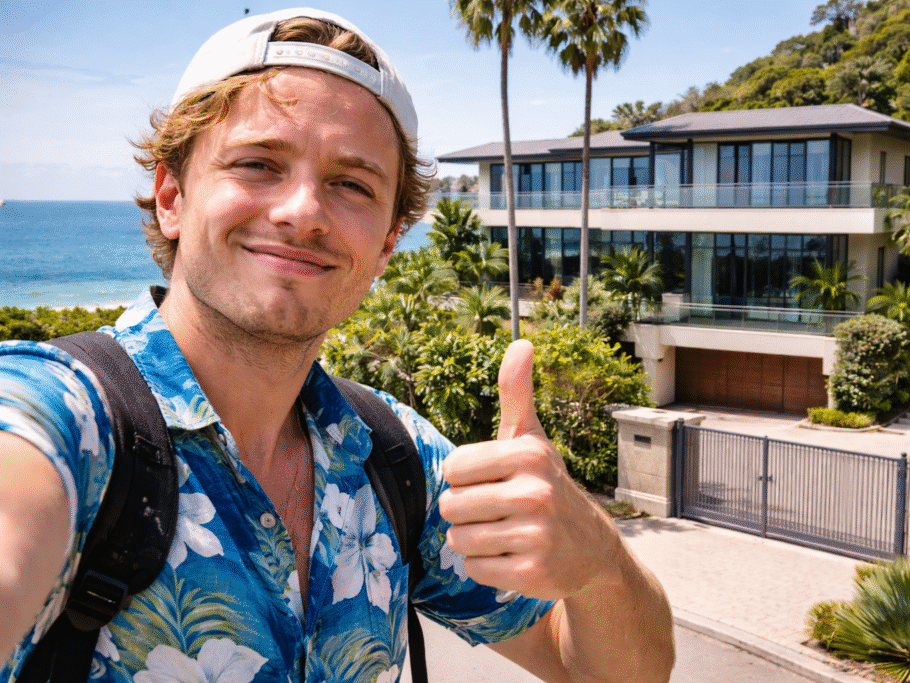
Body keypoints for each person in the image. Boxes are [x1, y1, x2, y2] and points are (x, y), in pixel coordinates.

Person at [0, 8, 674, 682]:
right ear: (172, 196)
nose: (303, 211)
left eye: (351, 184)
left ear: (385, 244)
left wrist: (599, 563)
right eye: (259, 162)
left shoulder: (395, 459)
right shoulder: (68, 418)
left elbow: (614, 670)